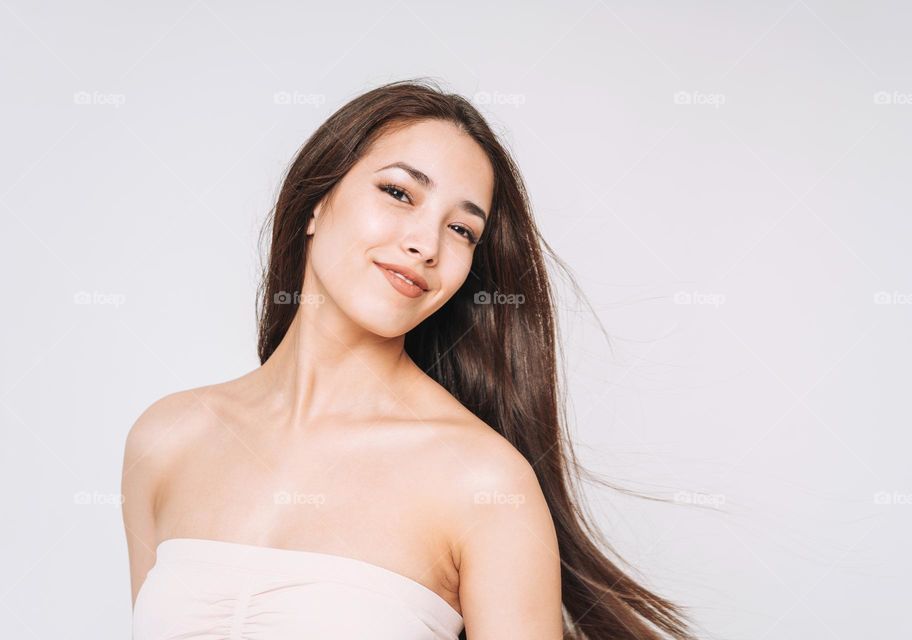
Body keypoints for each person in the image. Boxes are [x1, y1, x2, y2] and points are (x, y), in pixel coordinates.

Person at [121, 78, 696, 640]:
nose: (426, 244)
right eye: (399, 193)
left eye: (462, 229)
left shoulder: (485, 483)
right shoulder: (168, 438)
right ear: (318, 201)